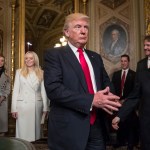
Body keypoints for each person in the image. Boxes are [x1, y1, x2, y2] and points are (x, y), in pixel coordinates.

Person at [44, 13, 121, 150]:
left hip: (97, 125)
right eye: (78, 27)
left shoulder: (95, 57)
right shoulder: (54, 55)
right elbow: (54, 89)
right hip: (68, 127)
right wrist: (91, 100)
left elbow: (106, 82)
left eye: (86, 27)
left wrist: (108, 97)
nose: (83, 31)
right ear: (67, 32)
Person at [112, 36, 150, 150]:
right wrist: (119, 116)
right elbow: (135, 94)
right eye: (144, 45)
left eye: (148, 45)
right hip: (146, 118)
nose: (145, 48)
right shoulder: (141, 65)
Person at [11, 51, 49, 142]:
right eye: (26, 58)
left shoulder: (41, 72)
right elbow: (15, 91)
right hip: (22, 106)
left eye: (31, 58)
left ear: (35, 60)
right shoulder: (19, 72)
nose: (28, 60)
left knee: (35, 135)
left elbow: (44, 91)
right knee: (23, 134)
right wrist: (13, 108)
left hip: (36, 106)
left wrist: (46, 107)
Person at [111, 54, 139, 150]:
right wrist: (116, 99)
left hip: (129, 103)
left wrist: (125, 100)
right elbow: (113, 88)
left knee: (130, 123)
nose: (123, 63)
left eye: (125, 61)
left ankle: (130, 144)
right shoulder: (116, 74)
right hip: (117, 102)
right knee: (119, 123)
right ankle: (120, 141)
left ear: (128, 62)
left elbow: (135, 91)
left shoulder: (134, 74)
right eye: (122, 61)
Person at [0, 54, 10, 136]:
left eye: (2, 60)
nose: (0, 62)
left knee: (2, 125)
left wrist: (2, 97)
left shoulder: (6, 74)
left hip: (2, 100)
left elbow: (8, 89)